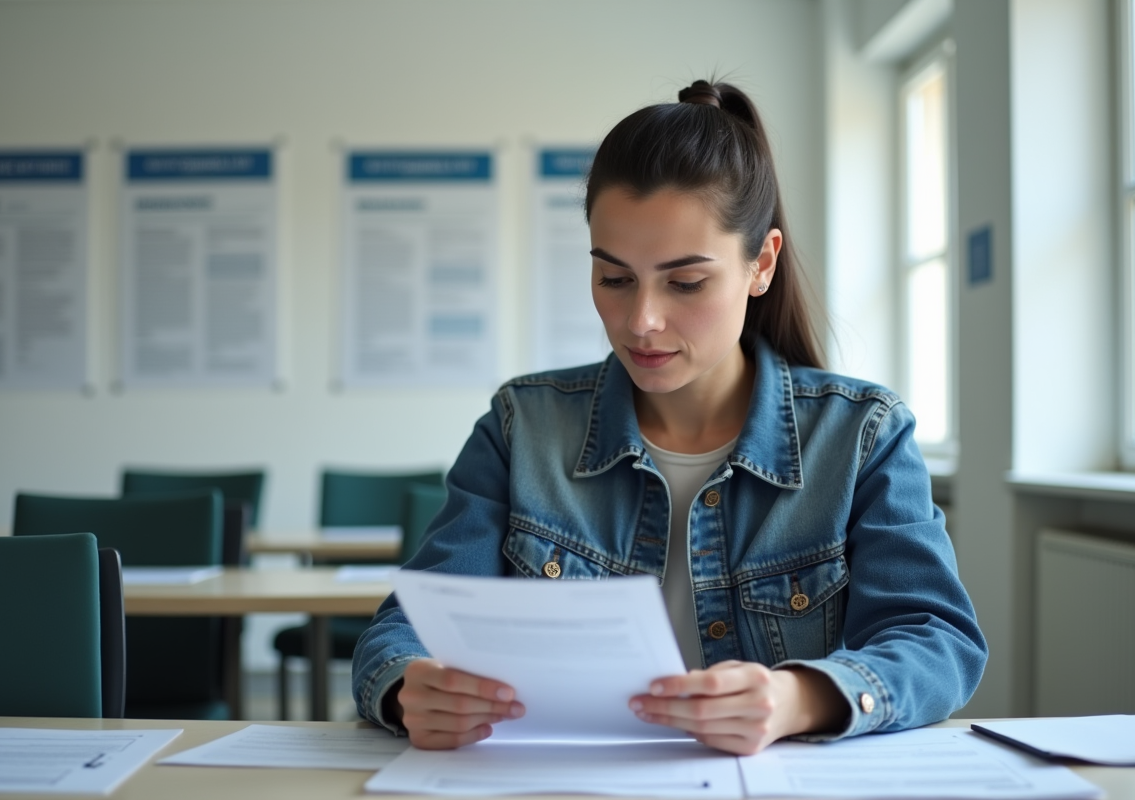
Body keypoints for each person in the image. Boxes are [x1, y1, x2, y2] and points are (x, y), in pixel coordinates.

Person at [352, 80, 987, 756]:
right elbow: (402, 630)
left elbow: (936, 641)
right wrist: (408, 687)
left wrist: (797, 698)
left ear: (761, 264)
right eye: (614, 278)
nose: (640, 322)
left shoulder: (862, 437)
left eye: (685, 283)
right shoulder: (520, 428)